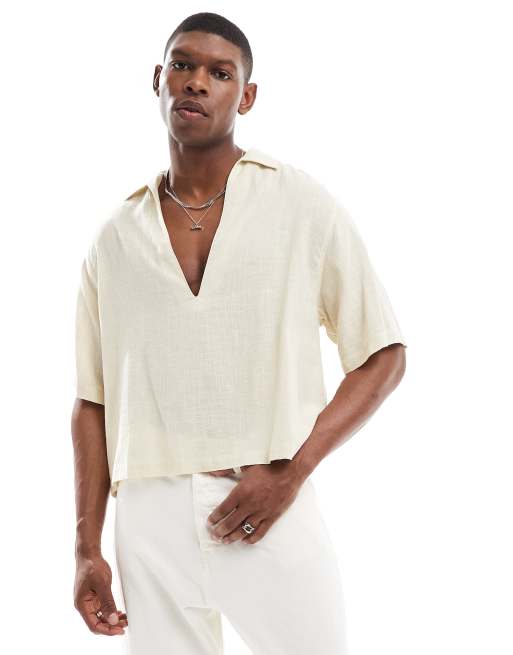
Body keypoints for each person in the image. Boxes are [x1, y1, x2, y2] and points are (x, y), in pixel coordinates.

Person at [71, 11, 407, 654]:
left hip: (264, 502)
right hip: (148, 515)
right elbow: (92, 401)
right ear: (158, 79)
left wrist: (293, 471)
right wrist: (88, 547)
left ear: (246, 96)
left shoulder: (300, 204)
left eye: (219, 73)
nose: (196, 82)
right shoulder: (113, 237)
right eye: (182, 65)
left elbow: (383, 353)